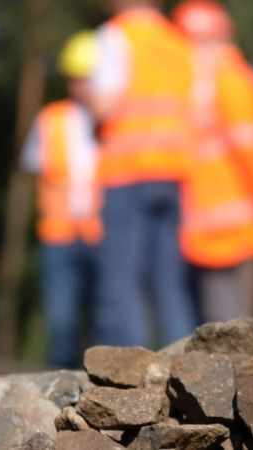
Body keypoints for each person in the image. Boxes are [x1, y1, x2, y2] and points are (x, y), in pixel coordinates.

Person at [90, 0, 200, 346]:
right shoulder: (178, 42)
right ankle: (183, 362)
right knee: (170, 280)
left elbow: (103, 103)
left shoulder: (114, 36)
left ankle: (126, 375)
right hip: (172, 173)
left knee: (121, 278)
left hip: (127, 172)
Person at [172, 0, 253, 322]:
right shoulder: (235, 80)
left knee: (216, 327)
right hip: (237, 222)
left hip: (208, 227)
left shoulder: (197, 88)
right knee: (234, 328)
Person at [21, 31, 104, 368]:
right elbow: (32, 165)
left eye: (89, 78)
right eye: (77, 78)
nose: (83, 86)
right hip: (59, 236)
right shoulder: (50, 119)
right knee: (62, 323)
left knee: (103, 322)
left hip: (103, 235)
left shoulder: (114, 122)